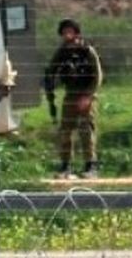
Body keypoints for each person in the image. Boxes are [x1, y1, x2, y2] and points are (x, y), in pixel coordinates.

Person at [43, 18, 103, 179]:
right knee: (66, 131)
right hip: (70, 93)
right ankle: (66, 166)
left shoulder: (87, 50)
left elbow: (97, 75)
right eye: (64, 32)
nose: (67, 35)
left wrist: (89, 96)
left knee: (86, 129)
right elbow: (51, 70)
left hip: (86, 94)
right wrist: (49, 87)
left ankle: (91, 166)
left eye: (70, 31)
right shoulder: (62, 52)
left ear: (76, 33)